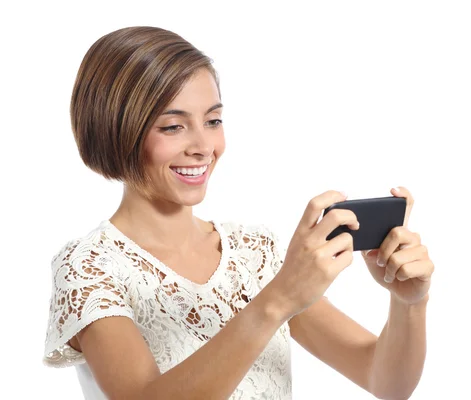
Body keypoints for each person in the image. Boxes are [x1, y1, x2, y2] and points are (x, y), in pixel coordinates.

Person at [43, 26, 435, 400]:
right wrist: (278, 298)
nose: (203, 145)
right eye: (173, 126)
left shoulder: (254, 253)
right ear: (117, 129)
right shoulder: (90, 268)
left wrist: (409, 304)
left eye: (213, 121)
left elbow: (384, 380)